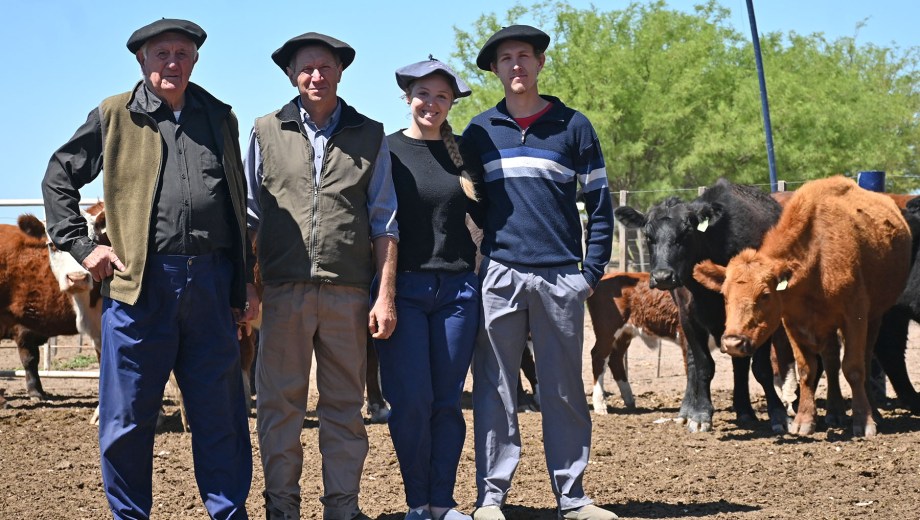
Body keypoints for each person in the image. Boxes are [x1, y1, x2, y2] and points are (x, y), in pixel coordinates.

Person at [41, 18, 258, 520]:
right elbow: (58, 176)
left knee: (220, 416)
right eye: (161, 53)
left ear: (196, 60)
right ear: (141, 60)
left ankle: (228, 513)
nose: (172, 63)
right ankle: (130, 515)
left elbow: (233, 201)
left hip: (210, 281)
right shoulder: (114, 115)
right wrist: (79, 244)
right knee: (127, 417)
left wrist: (243, 278)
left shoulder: (218, 116)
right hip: (140, 285)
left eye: (182, 53)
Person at [461, 25, 617, 520]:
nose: (516, 65)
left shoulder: (574, 127)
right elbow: (469, 210)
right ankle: (491, 498)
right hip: (500, 277)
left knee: (564, 390)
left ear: (540, 63)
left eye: (524, 55)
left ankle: (572, 497)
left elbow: (600, 205)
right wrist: (480, 268)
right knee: (496, 388)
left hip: (560, 279)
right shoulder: (479, 133)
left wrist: (589, 275)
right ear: (495, 70)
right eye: (505, 58)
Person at [244, 32, 399, 520]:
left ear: (340, 72)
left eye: (325, 67)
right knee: (279, 406)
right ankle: (282, 506)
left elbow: (385, 221)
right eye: (306, 68)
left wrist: (385, 295)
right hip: (282, 291)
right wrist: (248, 285)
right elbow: (248, 216)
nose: (316, 76)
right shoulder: (264, 131)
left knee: (344, 408)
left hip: (348, 293)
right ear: (292, 75)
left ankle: (343, 507)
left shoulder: (370, 135)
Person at [375, 57, 483, 520]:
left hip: (458, 292)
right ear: (407, 97)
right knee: (410, 403)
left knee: (447, 402)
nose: (432, 104)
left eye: (442, 96)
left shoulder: (464, 153)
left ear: (451, 102)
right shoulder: (386, 150)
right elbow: (376, 221)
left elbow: (486, 220)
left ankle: (443, 502)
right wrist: (384, 292)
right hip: (405, 291)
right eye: (424, 94)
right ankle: (417, 502)